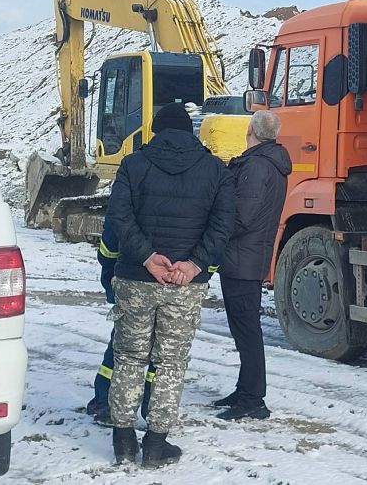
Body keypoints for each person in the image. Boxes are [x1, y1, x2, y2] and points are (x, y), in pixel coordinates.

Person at [106, 102, 235, 467]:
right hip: (184, 284)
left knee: (129, 356)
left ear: (156, 130)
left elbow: (119, 215)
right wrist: (193, 264)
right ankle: (157, 445)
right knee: (170, 364)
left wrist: (147, 257)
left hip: (136, 276)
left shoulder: (133, 164)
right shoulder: (214, 168)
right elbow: (223, 225)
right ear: (189, 131)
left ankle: (123, 442)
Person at [214, 110, 291, 421]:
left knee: (246, 330)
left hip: (241, 258)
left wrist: (215, 231)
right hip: (248, 256)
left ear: (250, 130)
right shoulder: (270, 162)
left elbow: (241, 216)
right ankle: (245, 390)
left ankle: (253, 399)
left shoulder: (256, 166)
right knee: (244, 328)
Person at [85, 216, 154, 426]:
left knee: (123, 348)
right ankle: (156, 412)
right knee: (165, 356)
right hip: (179, 287)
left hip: (131, 281)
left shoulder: (130, 186)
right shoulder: (203, 185)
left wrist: (111, 279)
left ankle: (105, 402)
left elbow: (110, 243)